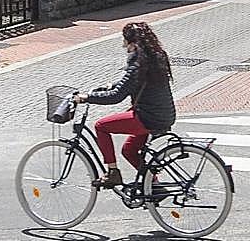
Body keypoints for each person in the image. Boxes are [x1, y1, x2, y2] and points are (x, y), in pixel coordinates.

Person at [74, 22, 177, 190]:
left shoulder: (138, 64)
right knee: (129, 150)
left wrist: (87, 98)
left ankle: (112, 172)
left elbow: (116, 96)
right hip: (164, 114)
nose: (124, 45)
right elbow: (132, 83)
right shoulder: (155, 57)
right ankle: (153, 183)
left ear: (133, 43)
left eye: (125, 41)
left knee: (101, 126)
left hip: (148, 118)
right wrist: (112, 85)